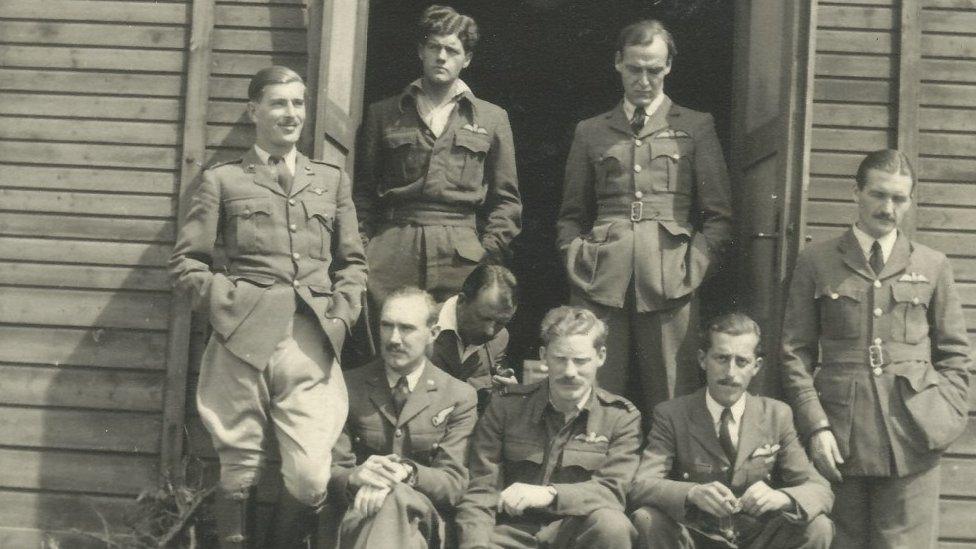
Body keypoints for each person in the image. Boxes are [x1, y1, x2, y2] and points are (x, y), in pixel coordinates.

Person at [169, 66, 367, 547]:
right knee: (238, 466)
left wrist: (340, 317)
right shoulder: (223, 181)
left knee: (311, 476)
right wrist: (226, 306)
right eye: (279, 103)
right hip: (242, 337)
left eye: (298, 103)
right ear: (253, 111)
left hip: (311, 340)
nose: (291, 114)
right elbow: (187, 264)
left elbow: (354, 263)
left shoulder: (330, 181)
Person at [781, 149, 971, 548]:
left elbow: (955, 354)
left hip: (912, 434)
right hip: (839, 436)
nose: (888, 208)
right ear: (857, 193)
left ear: (910, 201)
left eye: (899, 199)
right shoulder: (816, 261)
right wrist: (815, 426)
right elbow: (793, 353)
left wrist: (944, 417)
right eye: (878, 195)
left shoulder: (933, 264)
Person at [556, 19, 733, 421]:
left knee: (674, 394)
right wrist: (574, 257)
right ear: (618, 63)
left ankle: (668, 480)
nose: (644, 80)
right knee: (594, 389)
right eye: (635, 68)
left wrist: (694, 267)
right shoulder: (591, 132)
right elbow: (571, 213)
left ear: (668, 66)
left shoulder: (695, 127)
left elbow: (719, 215)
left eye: (654, 69)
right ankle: (594, 478)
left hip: (670, 277)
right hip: (599, 277)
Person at [355, 4, 521, 308]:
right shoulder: (384, 113)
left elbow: (507, 201)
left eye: (452, 50)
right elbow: (363, 194)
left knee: (451, 340)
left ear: (466, 59)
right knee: (391, 336)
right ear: (421, 51)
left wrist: (487, 251)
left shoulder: (492, 118)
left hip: (461, 254)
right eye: (434, 47)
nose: (441, 57)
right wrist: (366, 249)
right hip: (393, 247)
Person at [630, 313, 834, 548]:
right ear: (703, 360)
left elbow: (819, 489)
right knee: (647, 520)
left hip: (756, 538)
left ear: (756, 366)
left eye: (741, 361)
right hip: (697, 538)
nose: (730, 372)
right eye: (721, 358)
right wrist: (692, 493)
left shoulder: (776, 415)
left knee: (817, 527)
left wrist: (783, 498)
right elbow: (641, 484)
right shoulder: (672, 414)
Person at [456, 306, 641, 549]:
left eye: (581, 361)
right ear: (543, 355)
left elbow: (612, 491)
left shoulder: (620, 417)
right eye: (560, 359)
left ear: (601, 356)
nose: (570, 372)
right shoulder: (506, 407)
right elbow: (481, 490)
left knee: (612, 525)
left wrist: (550, 494)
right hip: (512, 533)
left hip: (575, 533)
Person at [329, 287, 478, 548]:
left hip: (422, 523)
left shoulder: (458, 396)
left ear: (432, 333)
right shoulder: (348, 386)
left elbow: (454, 483)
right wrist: (357, 477)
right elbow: (331, 469)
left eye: (406, 328)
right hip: (359, 515)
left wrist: (406, 473)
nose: (394, 339)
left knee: (395, 498)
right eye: (387, 326)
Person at [430, 264, 519, 413]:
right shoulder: (421, 324)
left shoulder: (501, 338)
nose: (490, 332)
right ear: (462, 301)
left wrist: (505, 396)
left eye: (501, 323)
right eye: (484, 318)